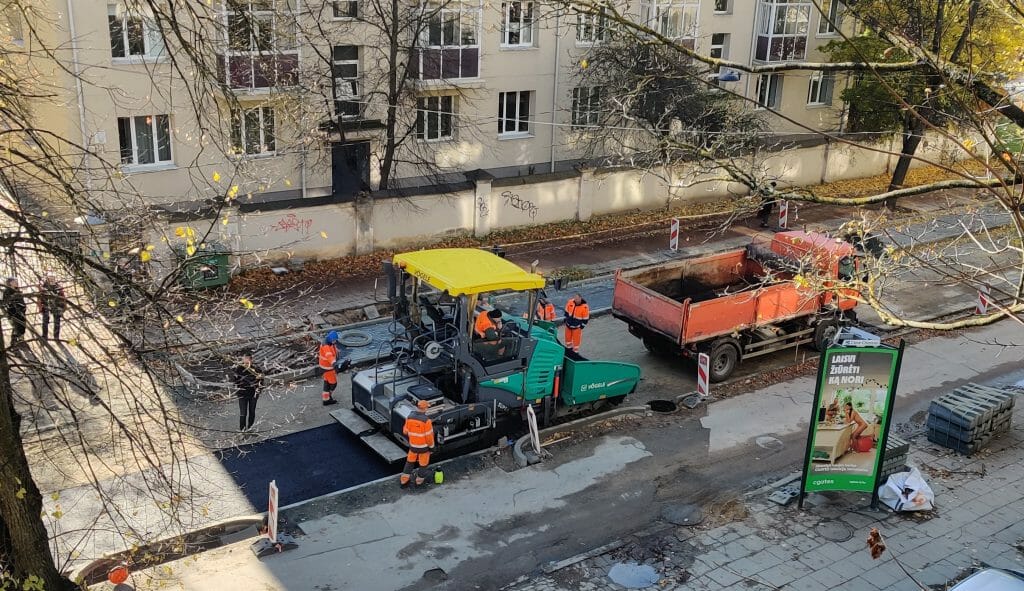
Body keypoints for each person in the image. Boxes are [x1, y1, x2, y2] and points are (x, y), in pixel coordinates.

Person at [400, 399, 435, 487]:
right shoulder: (427, 421)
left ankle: (404, 480)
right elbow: (429, 437)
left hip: (413, 446)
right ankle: (419, 481)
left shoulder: (409, 417)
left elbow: (405, 431)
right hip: (424, 448)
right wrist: (432, 447)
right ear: (425, 408)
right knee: (423, 464)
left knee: (410, 462)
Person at [318, 331, 351, 406]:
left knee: (327, 383)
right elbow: (329, 356)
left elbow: (333, 348)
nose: (335, 341)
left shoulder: (328, 342)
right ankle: (328, 397)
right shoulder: (326, 346)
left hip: (325, 367)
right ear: (331, 339)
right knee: (333, 383)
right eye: (334, 340)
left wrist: (337, 351)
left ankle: (326, 399)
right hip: (328, 368)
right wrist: (335, 364)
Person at [233, 351, 263, 432]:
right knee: (243, 413)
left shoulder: (256, 369)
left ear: (251, 360)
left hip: (253, 394)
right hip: (242, 394)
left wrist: (258, 390)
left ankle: (250, 427)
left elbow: (261, 381)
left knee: (252, 412)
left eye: (248, 359)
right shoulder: (239, 369)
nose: (246, 361)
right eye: (244, 359)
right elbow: (235, 381)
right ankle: (242, 429)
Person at [38, 273, 66, 341]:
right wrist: (40, 307)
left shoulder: (58, 287)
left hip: (56, 306)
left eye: (53, 278)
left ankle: (56, 337)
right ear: (47, 279)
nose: (52, 279)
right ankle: (45, 336)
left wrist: (63, 306)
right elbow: (39, 298)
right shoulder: (43, 287)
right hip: (46, 305)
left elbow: (63, 297)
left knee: (57, 322)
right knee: (45, 321)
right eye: (50, 278)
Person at [2, 277, 27, 348]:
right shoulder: (7, 291)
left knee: (22, 326)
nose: (16, 282)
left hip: (21, 312)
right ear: (10, 283)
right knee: (16, 327)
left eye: (16, 281)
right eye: (14, 281)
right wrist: (9, 313)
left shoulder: (17, 290)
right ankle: (13, 343)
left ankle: (21, 340)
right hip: (13, 313)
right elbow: (5, 303)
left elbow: (21, 301)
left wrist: (24, 307)